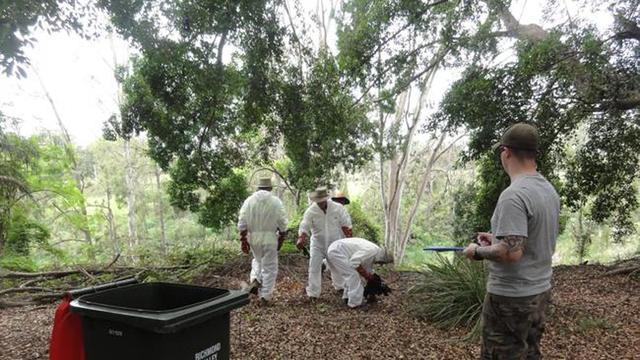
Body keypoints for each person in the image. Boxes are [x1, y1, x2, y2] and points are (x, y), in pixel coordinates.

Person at [462, 123, 559, 360]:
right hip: (539, 291)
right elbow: (527, 239)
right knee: (530, 353)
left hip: (511, 298)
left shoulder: (513, 195)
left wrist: (476, 252)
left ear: (506, 152)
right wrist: (498, 238)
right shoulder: (547, 190)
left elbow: (511, 254)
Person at [237, 177, 287, 305]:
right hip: (270, 237)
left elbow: (242, 223)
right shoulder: (275, 202)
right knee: (270, 267)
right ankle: (265, 296)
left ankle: (255, 279)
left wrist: (243, 241)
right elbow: (282, 223)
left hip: (253, 238)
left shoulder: (248, 201)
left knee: (258, 260)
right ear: (270, 188)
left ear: (258, 187)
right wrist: (281, 237)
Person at [297, 186, 352, 300]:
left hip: (335, 243)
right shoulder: (311, 211)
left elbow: (346, 224)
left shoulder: (338, 208)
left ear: (326, 199)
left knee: (337, 266)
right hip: (317, 244)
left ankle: (340, 286)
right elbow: (305, 225)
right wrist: (301, 238)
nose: (320, 204)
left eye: (322, 201)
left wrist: (349, 240)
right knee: (314, 267)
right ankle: (313, 293)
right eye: (318, 202)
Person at [326, 237, 394, 308]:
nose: (381, 264)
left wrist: (372, 280)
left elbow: (367, 269)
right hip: (337, 251)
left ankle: (347, 297)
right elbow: (354, 262)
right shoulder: (371, 251)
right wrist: (366, 275)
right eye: (382, 262)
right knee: (353, 275)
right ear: (382, 257)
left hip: (337, 248)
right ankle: (355, 304)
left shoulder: (373, 251)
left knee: (352, 275)